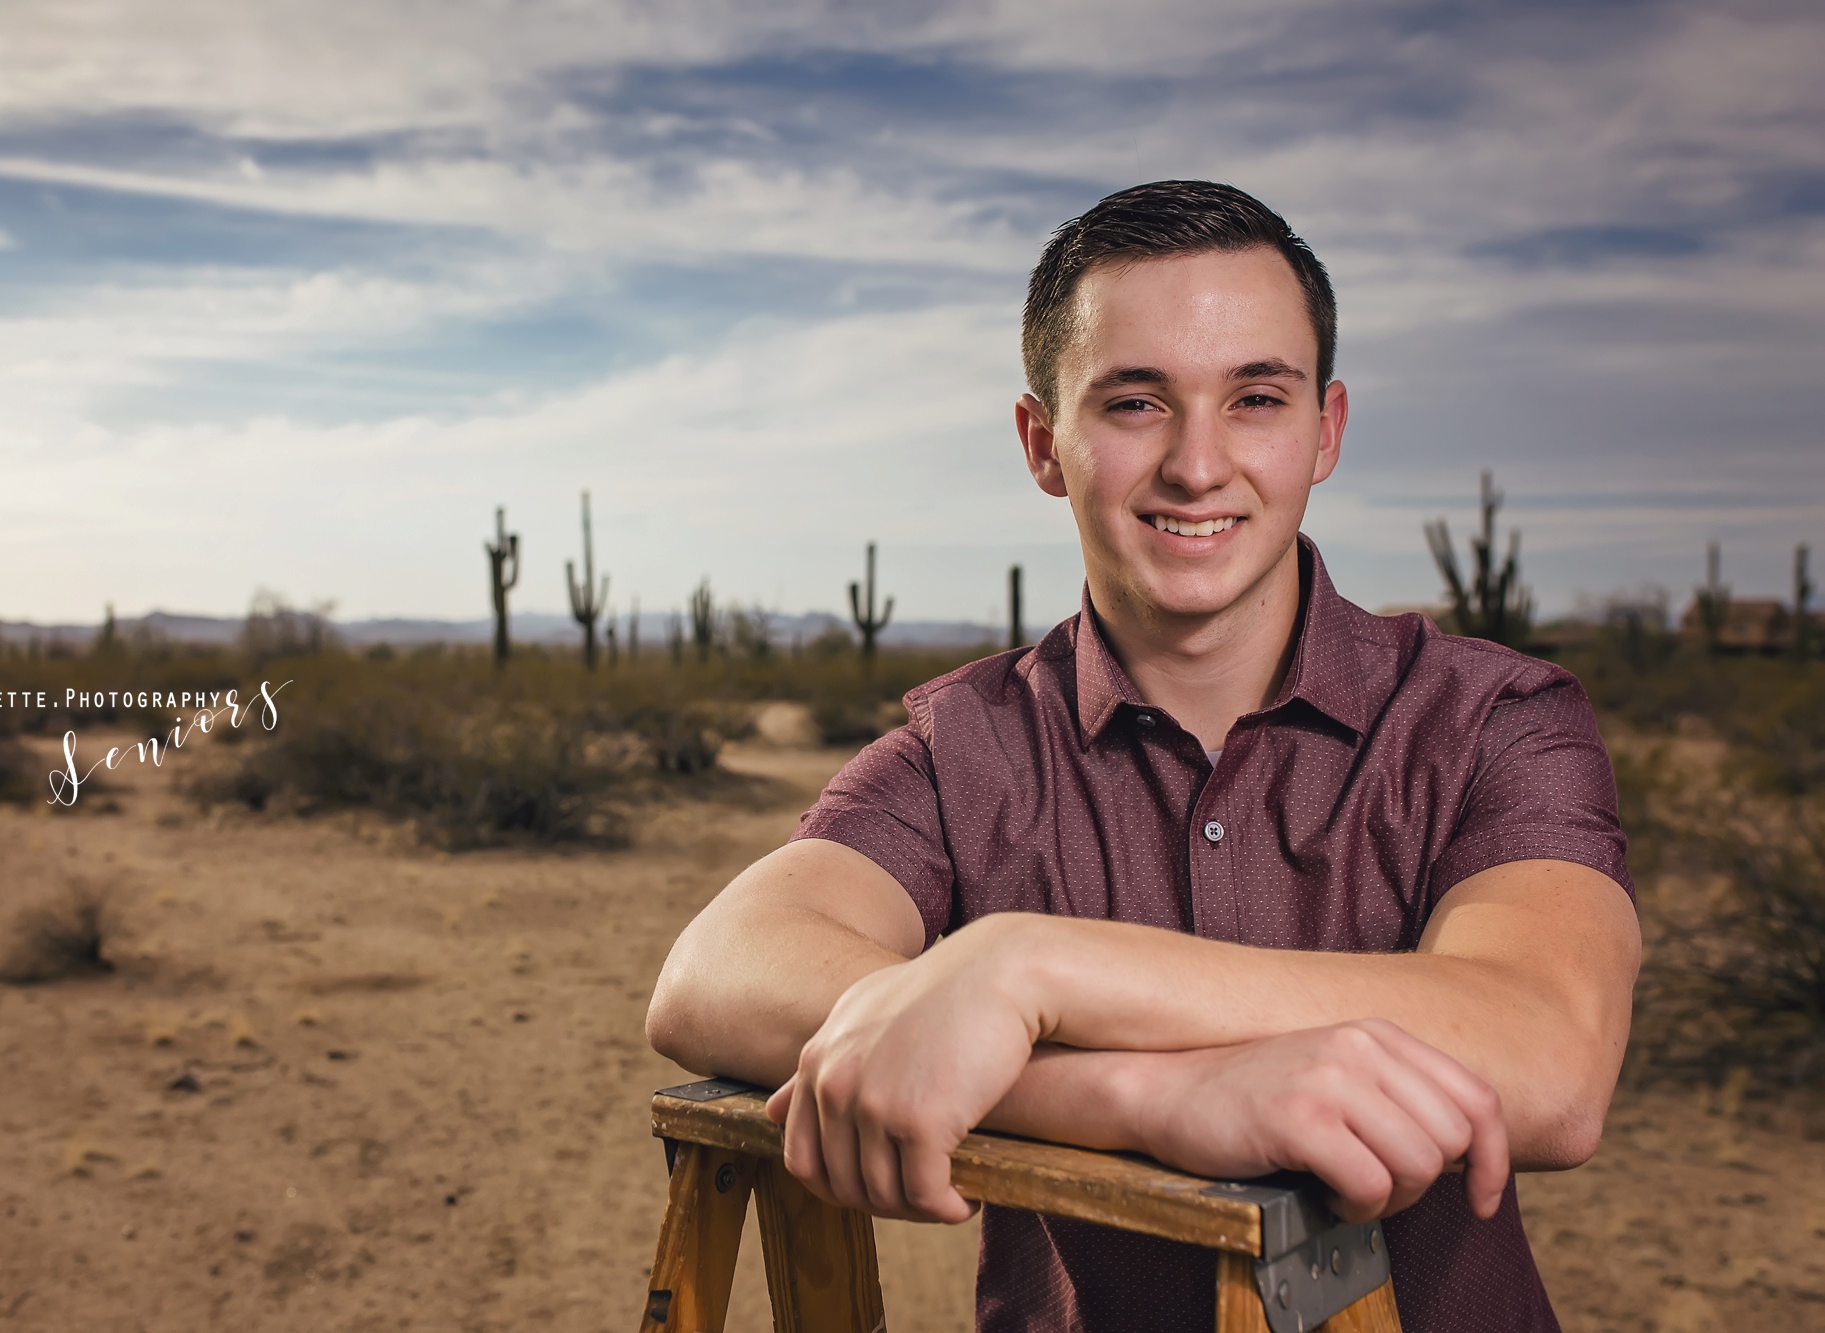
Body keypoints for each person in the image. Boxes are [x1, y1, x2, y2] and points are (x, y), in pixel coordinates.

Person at [645, 180, 1639, 1332]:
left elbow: (1550, 1061)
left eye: (1255, 398)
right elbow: (714, 972)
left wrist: (1028, 970)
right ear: (1042, 442)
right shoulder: (961, 746)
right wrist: (1141, 1096)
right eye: (1133, 404)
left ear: (1323, 430)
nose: (1197, 465)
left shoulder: (1492, 717)